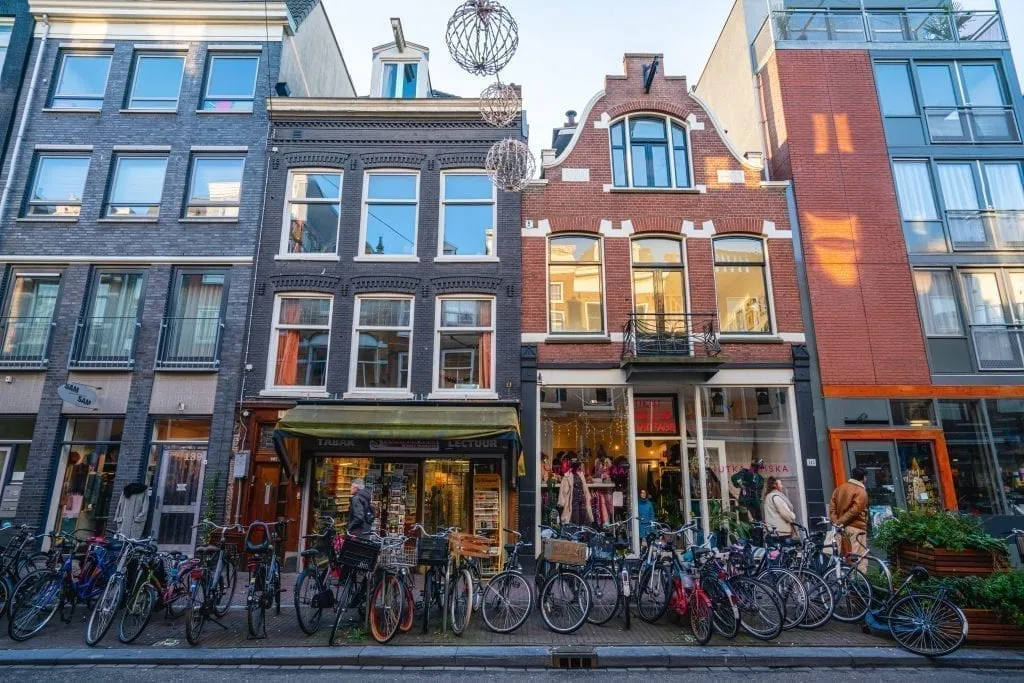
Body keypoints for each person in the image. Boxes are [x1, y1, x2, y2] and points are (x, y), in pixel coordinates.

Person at [830, 467, 869, 572]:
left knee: (845, 556)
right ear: (864, 477)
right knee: (858, 557)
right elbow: (855, 511)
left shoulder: (839, 488)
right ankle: (858, 584)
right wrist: (840, 522)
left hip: (841, 529)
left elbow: (832, 508)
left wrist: (836, 522)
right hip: (856, 528)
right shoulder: (861, 491)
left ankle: (845, 582)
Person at [557, 454, 593, 525]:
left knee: (583, 516)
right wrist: (562, 502)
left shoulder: (581, 474)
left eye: (577, 465)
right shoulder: (567, 475)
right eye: (575, 465)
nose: (578, 466)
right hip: (573, 501)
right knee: (574, 518)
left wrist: (587, 497)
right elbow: (563, 490)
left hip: (582, 500)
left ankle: (583, 534)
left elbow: (584, 487)